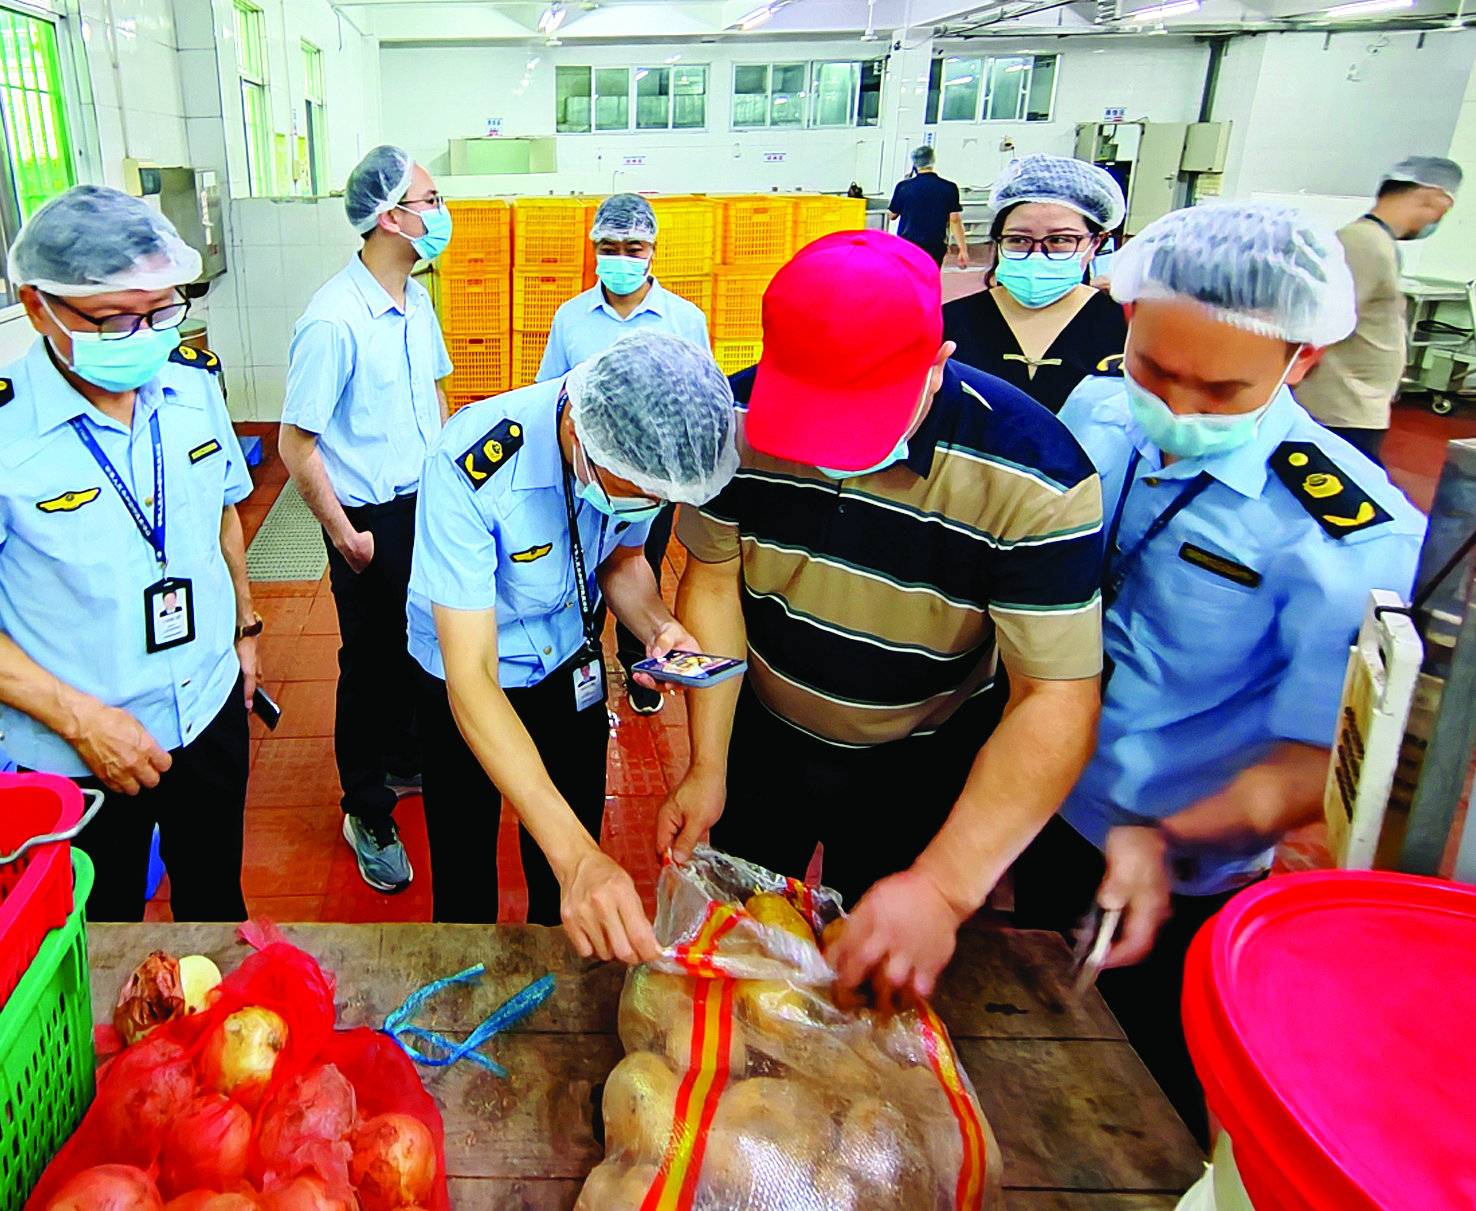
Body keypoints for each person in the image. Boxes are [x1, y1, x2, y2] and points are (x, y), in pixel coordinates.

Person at [1014, 202, 1425, 1145]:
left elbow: (1310, 759)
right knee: (1041, 1048)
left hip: (1180, 866)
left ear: (1300, 362)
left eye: (1221, 388)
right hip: (1042, 806)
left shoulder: (1340, 534)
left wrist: (1163, 836)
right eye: (1158, 369)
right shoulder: (1100, 410)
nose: (1179, 408)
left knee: (1146, 1101)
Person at [657, 230, 1105, 1002]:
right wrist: (708, 763)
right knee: (739, 968)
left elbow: (1054, 695)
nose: (826, 449)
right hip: (760, 734)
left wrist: (944, 886)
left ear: (935, 365)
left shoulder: (1033, 473)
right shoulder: (733, 415)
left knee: (873, 988)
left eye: (856, 418)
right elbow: (715, 581)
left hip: (921, 759)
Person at [0, 185, 259, 923]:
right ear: (37, 305)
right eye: (114, 319)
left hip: (207, 710)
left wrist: (245, 628)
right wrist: (80, 721)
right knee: (95, 933)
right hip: (81, 754)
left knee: (216, 904)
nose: (145, 334)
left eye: (162, 310)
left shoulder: (190, 388)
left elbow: (223, 514)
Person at [408, 331, 738, 963]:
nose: (646, 503)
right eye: (637, 492)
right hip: (471, 677)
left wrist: (657, 625)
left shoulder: (639, 452)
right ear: (580, 438)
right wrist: (578, 858)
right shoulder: (472, 464)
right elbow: (471, 676)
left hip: (569, 664)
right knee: (465, 865)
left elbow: (623, 560)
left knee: (566, 848)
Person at [279, 145, 454, 895]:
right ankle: (365, 807)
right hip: (367, 518)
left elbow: (434, 401)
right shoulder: (332, 320)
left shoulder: (417, 300)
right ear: (391, 216)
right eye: (431, 199)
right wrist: (346, 535)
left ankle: (406, 759)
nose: (441, 213)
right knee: (371, 660)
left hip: (425, 503)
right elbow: (295, 442)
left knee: (421, 645)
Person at [536, 193, 712, 716]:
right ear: (594, 248)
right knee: (579, 570)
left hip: (649, 487)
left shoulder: (683, 320)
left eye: (633, 247)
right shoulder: (572, 319)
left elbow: (701, 406)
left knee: (641, 565)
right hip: (584, 479)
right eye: (609, 247)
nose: (621, 258)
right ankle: (580, 658)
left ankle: (640, 664)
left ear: (653, 249)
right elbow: (548, 396)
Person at [1294, 155, 1463, 464]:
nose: (1436, 220)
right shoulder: (1362, 243)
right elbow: (1323, 322)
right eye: (1442, 209)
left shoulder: (1377, 242)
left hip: (1359, 402)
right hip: (1340, 405)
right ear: (1429, 198)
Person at [942, 156, 1128, 413]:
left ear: (1095, 242)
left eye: (1060, 240)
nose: (1037, 253)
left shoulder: (1126, 326)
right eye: (1019, 240)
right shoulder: (950, 321)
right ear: (998, 240)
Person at [888, 146, 969, 270]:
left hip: (908, 244)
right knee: (931, 279)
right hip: (935, 244)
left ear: (915, 164)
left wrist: (903, 184)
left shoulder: (903, 186)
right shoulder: (949, 187)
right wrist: (962, 250)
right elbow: (954, 219)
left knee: (909, 278)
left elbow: (892, 216)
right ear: (933, 160)